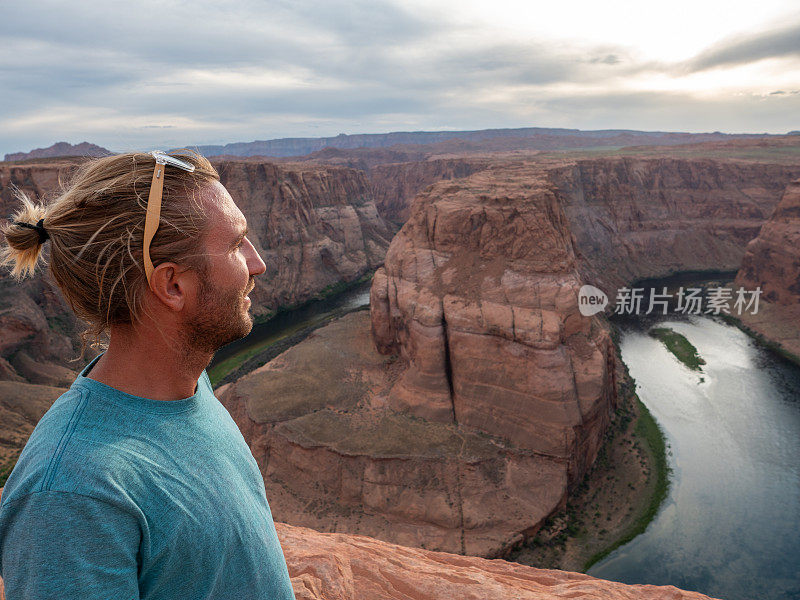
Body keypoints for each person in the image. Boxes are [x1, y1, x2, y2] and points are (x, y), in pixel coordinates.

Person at [0, 150, 296, 599]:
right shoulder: (71, 495)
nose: (258, 265)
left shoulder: (187, 389)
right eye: (236, 246)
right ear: (172, 285)